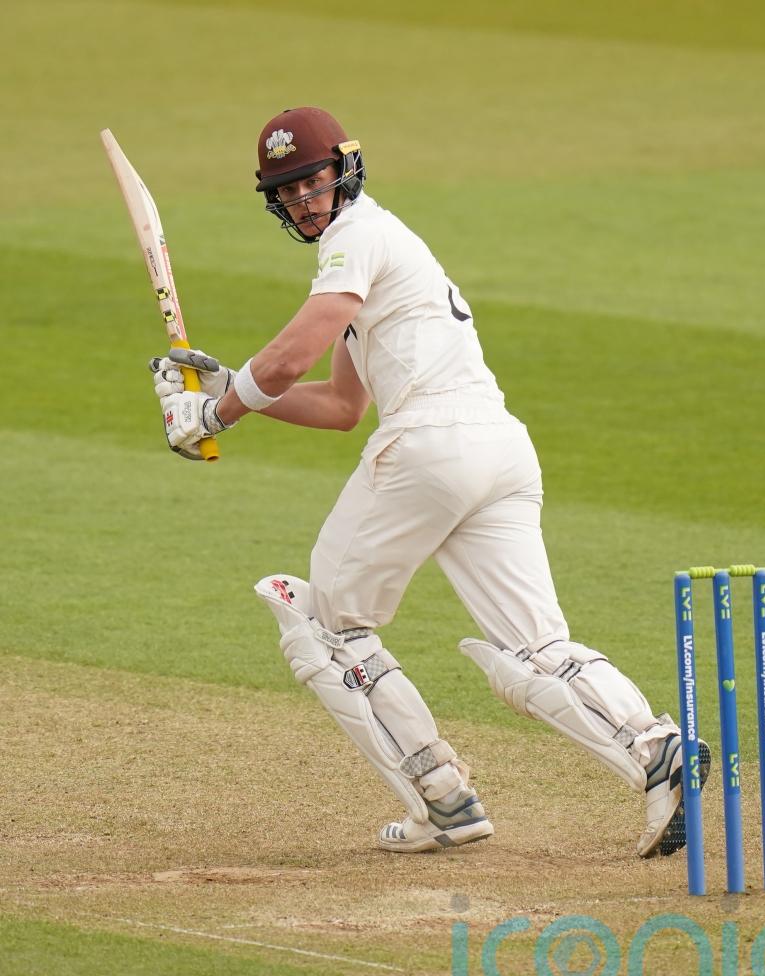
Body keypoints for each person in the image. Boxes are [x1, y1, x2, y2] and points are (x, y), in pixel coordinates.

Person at [152, 106, 710, 856]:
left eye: (312, 181)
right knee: (537, 647)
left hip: (430, 446)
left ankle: (441, 797)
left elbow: (286, 359)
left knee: (328, 628)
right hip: (499, 451)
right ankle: (658, 751)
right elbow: (343, 405)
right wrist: (227, 388)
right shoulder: (386, 248)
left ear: (344, 170)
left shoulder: (355, 238)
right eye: (286, 192)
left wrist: (211, 416)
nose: (304, 201)